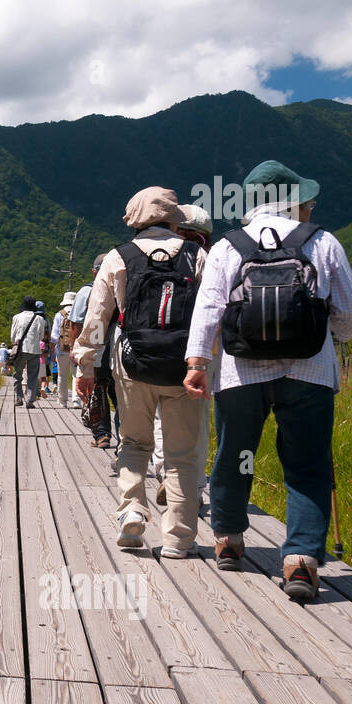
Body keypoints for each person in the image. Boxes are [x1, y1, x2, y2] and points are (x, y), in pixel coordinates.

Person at [184, 160, 352, 598]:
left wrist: (195, 363)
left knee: (234, 455)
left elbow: (209, 307)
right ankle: (301, 561)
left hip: (240, 372)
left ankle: (228, 541)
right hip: (310, 372)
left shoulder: (230, 245)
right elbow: (351, 309)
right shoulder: (322, 241)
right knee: (306, 464)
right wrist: (334, 335)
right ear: (296, 202)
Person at [74, 187, 207, 557]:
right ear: (173, 217)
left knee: (134, 443)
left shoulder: (118, 258)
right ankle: (179, 539)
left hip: (132, 365)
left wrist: (85, 365)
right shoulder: (198, 255)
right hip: (183, 367)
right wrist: (206, 363)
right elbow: (213, 311)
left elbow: (97, 320)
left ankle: (132, 510)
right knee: (181, 453)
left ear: (134, 219)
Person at [151, 204, 214, 506]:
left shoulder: (152, 258)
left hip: (157, 350)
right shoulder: (207, 259)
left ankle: (165, 472)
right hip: (199, 353)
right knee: (197, 424)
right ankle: (195, 485)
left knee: (162, 416)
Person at [68, 254, 118, 445]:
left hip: (95, 350)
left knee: (96, 392)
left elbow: (76, 324)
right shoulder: (123, 286)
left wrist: (74, 348)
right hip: (119, 351)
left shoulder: (86, 292)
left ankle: (101, 434)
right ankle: (123, 440)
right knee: (118, 396)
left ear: (94, 270)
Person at [9, 296, 46, 408]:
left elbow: (12, 336)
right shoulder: (39, 319)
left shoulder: (16, 317)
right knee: (33, 376)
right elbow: (41, 336)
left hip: (20, 350)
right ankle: (30, 400)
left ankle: (19, 398)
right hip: (34, 350)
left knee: (18, 375)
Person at [50, 291, 77, 407]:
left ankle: (62, 401)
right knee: (76, 375)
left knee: (62, 375)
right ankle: (77, 400)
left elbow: (54, 336)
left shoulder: (59, 315)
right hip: (76, 348)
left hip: (62, 349)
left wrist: (55, 347)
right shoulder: (80, 312)